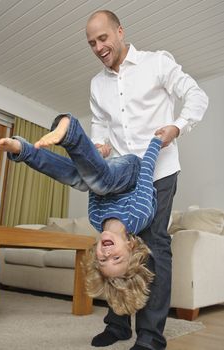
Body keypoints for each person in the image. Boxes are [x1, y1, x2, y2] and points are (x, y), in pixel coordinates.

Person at [85, 9, 209, 350]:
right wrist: (100, 145)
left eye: (103, 38)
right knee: (115, 246)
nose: (98, 47)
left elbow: (197, 95)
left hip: (159, 171)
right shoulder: (97, 84)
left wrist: (177, 126)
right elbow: (99, 125)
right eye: (92, 42)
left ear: (120, 31)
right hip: (121, 175)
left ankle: (151, 336)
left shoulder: (157, 63)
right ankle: (118, 324)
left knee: (154, 246)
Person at [0, 113, 163, 315]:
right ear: (131, 247)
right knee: (100, 184)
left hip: (107, 175)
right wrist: (156, 142)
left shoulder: (95, 218)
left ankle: (23, 150)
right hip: (132, 171)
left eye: (102, 260)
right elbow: (145, 174)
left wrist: (98, 157)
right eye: (116, 259)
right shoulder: (140, 215)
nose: (107, 255)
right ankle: (70, 129)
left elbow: (91, 183)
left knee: (81, 181)